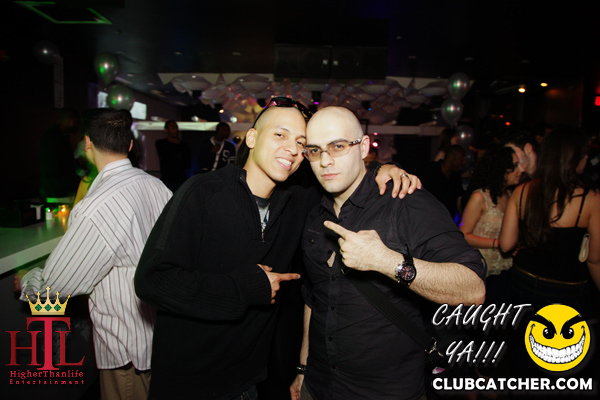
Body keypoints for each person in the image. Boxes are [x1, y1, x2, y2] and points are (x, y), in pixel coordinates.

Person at [134, 97, 420, 400]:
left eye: (301, 143)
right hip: (188, 382)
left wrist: (382, 168)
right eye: (280, 134)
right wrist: (248, 288)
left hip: (248, 381)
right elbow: (152, 280)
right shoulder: (203, 192)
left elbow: (345, 170)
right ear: (252, 138)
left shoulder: (298, 202)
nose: (292, 149)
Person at [291, 106, 486, 400]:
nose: (325, 160)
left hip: (387, 391)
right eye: (315, 150)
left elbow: (472, 288)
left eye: (338, 146)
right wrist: (303, 368)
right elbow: (314, 298)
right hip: (319, 386)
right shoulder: (315, 215)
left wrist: (386, 261)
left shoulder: (405, 201)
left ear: (364, 147)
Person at [16, 109, 172, 400]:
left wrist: (28, 280)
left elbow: (56, 288)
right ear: (129, 145)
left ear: (87, 143)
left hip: (128, 350)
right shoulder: (157, 186)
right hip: (159, 338)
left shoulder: (96, 207)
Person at [500, 127, 600, 314]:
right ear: (573, 158)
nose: (587, 158)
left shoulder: (522, 191)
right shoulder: (590, 200)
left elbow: (506, 245)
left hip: (523, 283)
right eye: (584, 153)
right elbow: (594, 259)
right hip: (565, 292)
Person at [460, 146, 523, 277]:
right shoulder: (480, 197)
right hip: (482, 268)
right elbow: (464, 235)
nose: (521, 170)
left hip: (505, 268)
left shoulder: (510, 196)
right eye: (515, 165)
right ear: (502, 168)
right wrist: (499, 243)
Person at [39, 107, 80, 200]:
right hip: (58, 191)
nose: (78, 125)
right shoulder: (55, 137)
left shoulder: (55, 135)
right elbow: (59, 164)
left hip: (55, 189)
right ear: (69, 120)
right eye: (76, 122)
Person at [419, 144, 466, 222]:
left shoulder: (455, 176)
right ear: (451, 157)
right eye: (461, 158)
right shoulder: (430, 170)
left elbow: (458, 200)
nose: (463, 162)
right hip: (428, 219)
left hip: (447, 221)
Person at [155, 120, 191, 192]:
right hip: (167, 179)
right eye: (172, 127)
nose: (175, 130)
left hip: (181, 180)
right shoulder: (161, 143)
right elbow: (166, 158)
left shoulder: (184, 145)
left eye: (176, 127)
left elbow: (187, 164)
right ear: (166, 129)